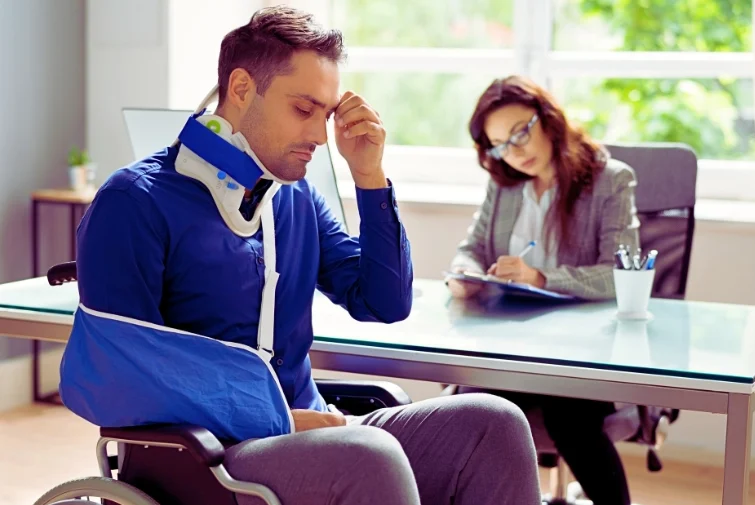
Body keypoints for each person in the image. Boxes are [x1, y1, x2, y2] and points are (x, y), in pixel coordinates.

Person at [58, 6, 542, 505]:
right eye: (303, 109)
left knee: (493, 424)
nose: (318, 136)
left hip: (320, 432)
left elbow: (383, 302)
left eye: (326, 115)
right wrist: (281, 419)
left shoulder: (295, 195)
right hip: (205, 457)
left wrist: (370, 177)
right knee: (368, 454)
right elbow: (121, 376)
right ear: (242, 88)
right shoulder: (134, 201)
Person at [447, 75, 640, 505]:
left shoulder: (611, 180)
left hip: (582, 351)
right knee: (470, 411)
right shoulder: (505, 184)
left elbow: (618, 273)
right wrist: (464, 272)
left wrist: (540, 277)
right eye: (500, 145)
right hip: (512, 343)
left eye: (520, 133)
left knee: (569, 414)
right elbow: (472, 248)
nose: (514, 153)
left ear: (548, 118)